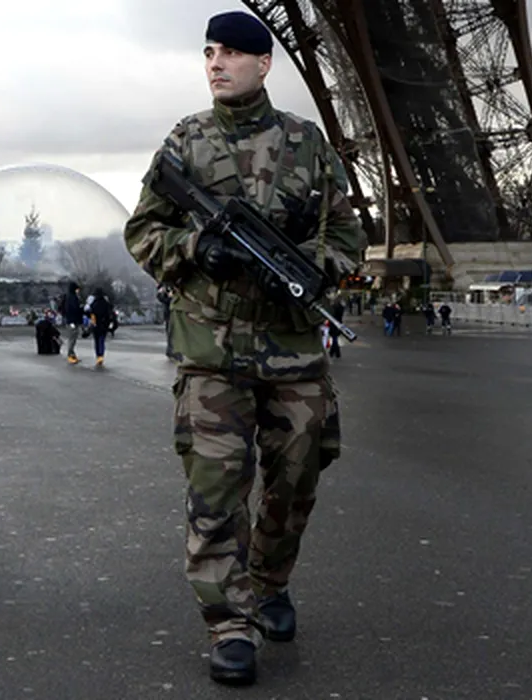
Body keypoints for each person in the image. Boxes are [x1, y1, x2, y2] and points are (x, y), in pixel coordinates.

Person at [121, 10, 367, 686]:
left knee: (297, 477)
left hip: (292, 345)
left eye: (231, 52)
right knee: (216, 490)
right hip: (211, 348)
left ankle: (269, 581)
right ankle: (229, 623)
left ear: (264, 63)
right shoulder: (186, 141)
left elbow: (346, 237)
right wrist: (199, 246)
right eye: (210, 52)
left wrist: (306, 266)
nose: (216, 63)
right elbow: (142, 232)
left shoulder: (307, 144)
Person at [87, 288, 116, 366]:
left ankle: (98, 356)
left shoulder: (93, 303)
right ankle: (101, 356)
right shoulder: (106, 303)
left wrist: (92, 323)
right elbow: (110, 313)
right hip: (104, 325)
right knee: (101, 341)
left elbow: (90, 313)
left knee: (96, 341)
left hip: (96, 325)